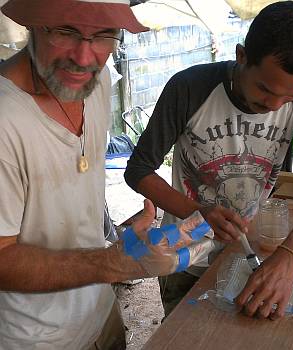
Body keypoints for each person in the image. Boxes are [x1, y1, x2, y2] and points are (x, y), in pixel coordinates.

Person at [125, 1, 293, 320]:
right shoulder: (190, 88)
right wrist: (197, 212)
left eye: (290, 98)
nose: (275, 105)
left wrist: (290, 256)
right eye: (264, 89)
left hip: (247, 251)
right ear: (241, 56)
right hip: (185, 249)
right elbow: (138, 170)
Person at [0, 1, 171, 349]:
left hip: (101, 312)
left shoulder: (98, 81)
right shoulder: (6, 119)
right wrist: (112, 263)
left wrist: (118, 247)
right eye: (66, 32)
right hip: (35, 339)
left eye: (104, 35)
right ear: (34, 24)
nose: (84, 57)